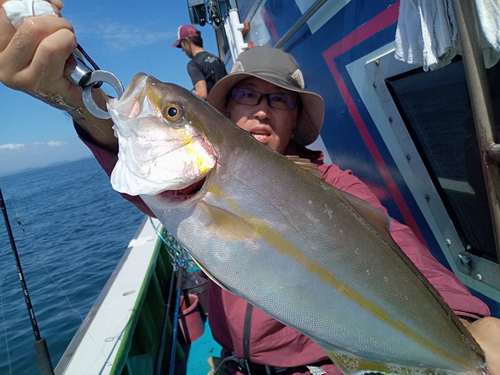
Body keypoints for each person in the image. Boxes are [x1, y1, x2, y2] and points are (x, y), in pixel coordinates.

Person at [0, 3, 499, 374]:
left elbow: (401, 254)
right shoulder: (187, 188)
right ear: (226, 111)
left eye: (279, 100)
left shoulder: (335, 184)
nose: (261, 107)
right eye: (247, 93)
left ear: (297, 118)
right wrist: (73, 98)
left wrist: (473, 327)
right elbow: (128, 155)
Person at [172, 24, 227, 100]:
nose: (183, 50)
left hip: (213, 110)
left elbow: (202, 93)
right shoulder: (217, 60)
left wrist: (180, 99)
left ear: (187, 41)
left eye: (182, 45)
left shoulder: (193, 64)